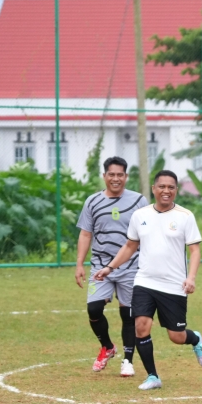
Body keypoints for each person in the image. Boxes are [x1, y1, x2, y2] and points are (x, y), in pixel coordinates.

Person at [93, 170, 202, 390]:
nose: (166, 191)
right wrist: (110, 267)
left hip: (174, 285)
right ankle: (152, 376)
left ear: (176, 190)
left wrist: (191, 278)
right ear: (154, 189)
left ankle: (195, 339)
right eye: (162, 187)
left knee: (176, 336)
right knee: (141, 326)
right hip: (145, 282)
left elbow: (195, 251)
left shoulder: (185, 216)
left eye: (171, 187)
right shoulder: (140, 215)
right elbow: (130, 246)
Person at [75, 156, 148, 377]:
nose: (116, 178)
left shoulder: (139, 201)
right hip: (100, 265)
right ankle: (107, 346)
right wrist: (79, 263)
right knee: (94, 309)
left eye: (120, 175)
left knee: (129, 315)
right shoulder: (92, 201)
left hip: (132, 266)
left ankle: (128, 360)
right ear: (104, 176)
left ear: (126, 177)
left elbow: (148, 233)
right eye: (111, 174)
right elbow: (86, 233)